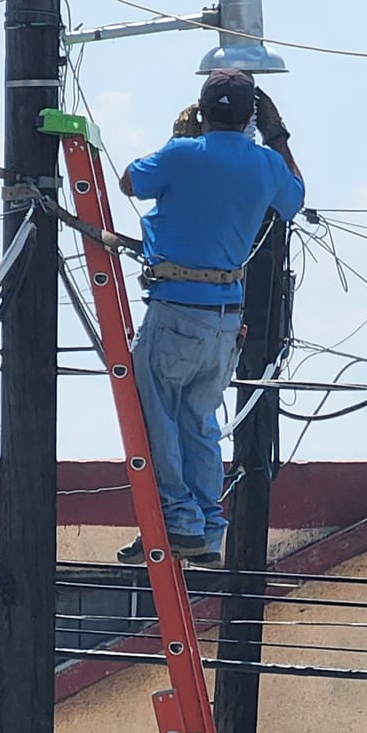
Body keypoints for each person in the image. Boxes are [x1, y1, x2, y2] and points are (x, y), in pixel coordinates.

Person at [116, 69, 304, 566]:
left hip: (177, 308)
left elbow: (130, 182)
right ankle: (207, 528)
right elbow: (296, 198)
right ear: (251, 118)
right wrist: (278, 136)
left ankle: (179, 520)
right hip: (224, 319)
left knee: (157, 415)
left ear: (202, 113)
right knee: (198, 420)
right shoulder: (265, 163)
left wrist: (179, 139)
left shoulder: (182, 155)